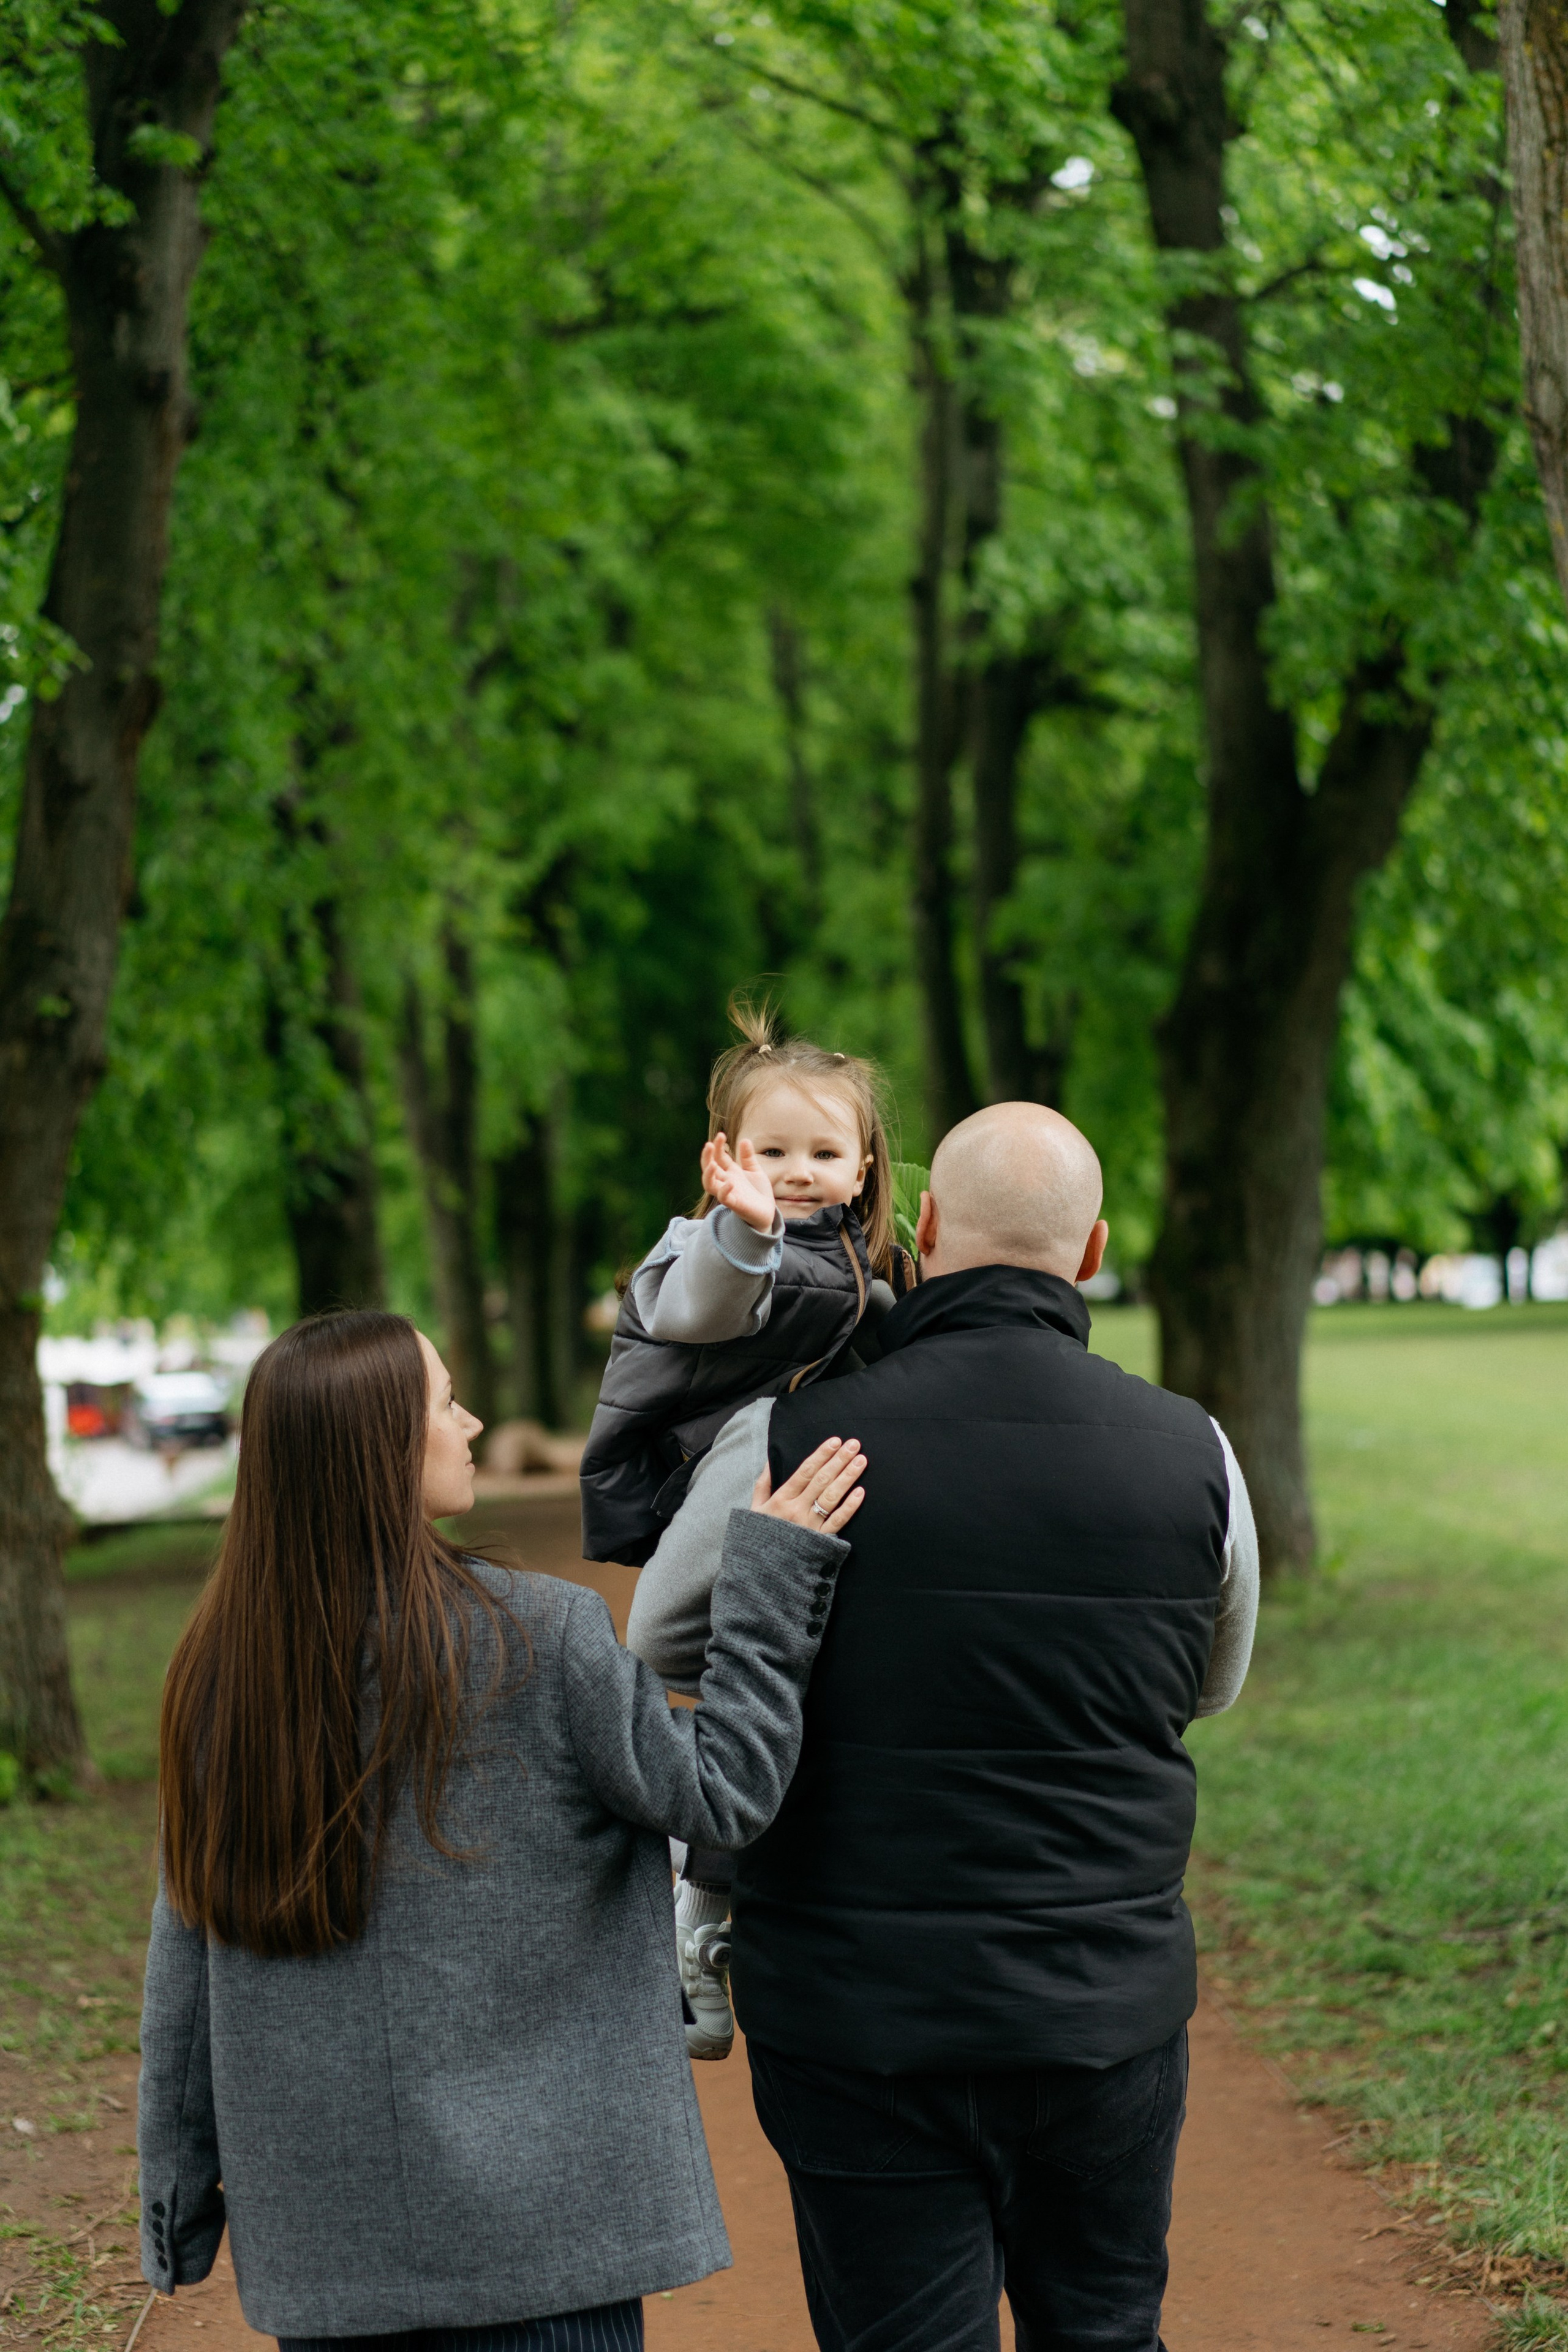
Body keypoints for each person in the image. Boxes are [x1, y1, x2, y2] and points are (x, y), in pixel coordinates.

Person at [627, 1102, 1259, 2352]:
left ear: (920, 1227)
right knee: (1106, 2333)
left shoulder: (789, 1435)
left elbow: (659, 1639)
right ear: (1087, 1254)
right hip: (1102, 2012)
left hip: (858, 2021)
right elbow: (1206, 1684)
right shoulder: (1194, 1452)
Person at [137, 1308, 865, 2351]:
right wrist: (765, 1573)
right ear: (378, 1449)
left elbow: (185, 1960)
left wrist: (177, 2203)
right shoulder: (542, 1634)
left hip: (328, 2246)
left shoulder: (221, 1680)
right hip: (548, 2242)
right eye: (443, 1402)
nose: (473, 1422)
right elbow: (726, 1795)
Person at [582, 998, 905, 2060]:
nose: (798, 1171)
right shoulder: (710, 1246)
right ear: (728, 1157)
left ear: (864, 1166)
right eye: (773, 1151)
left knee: (768, 1689)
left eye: (824, 1151)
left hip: (771, 1497)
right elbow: (709, 1311)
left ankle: (709, 1904)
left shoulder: (867, 1262)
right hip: (700, 1480)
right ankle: (691, 1892)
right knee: (689, 1657)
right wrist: (743, 1226)